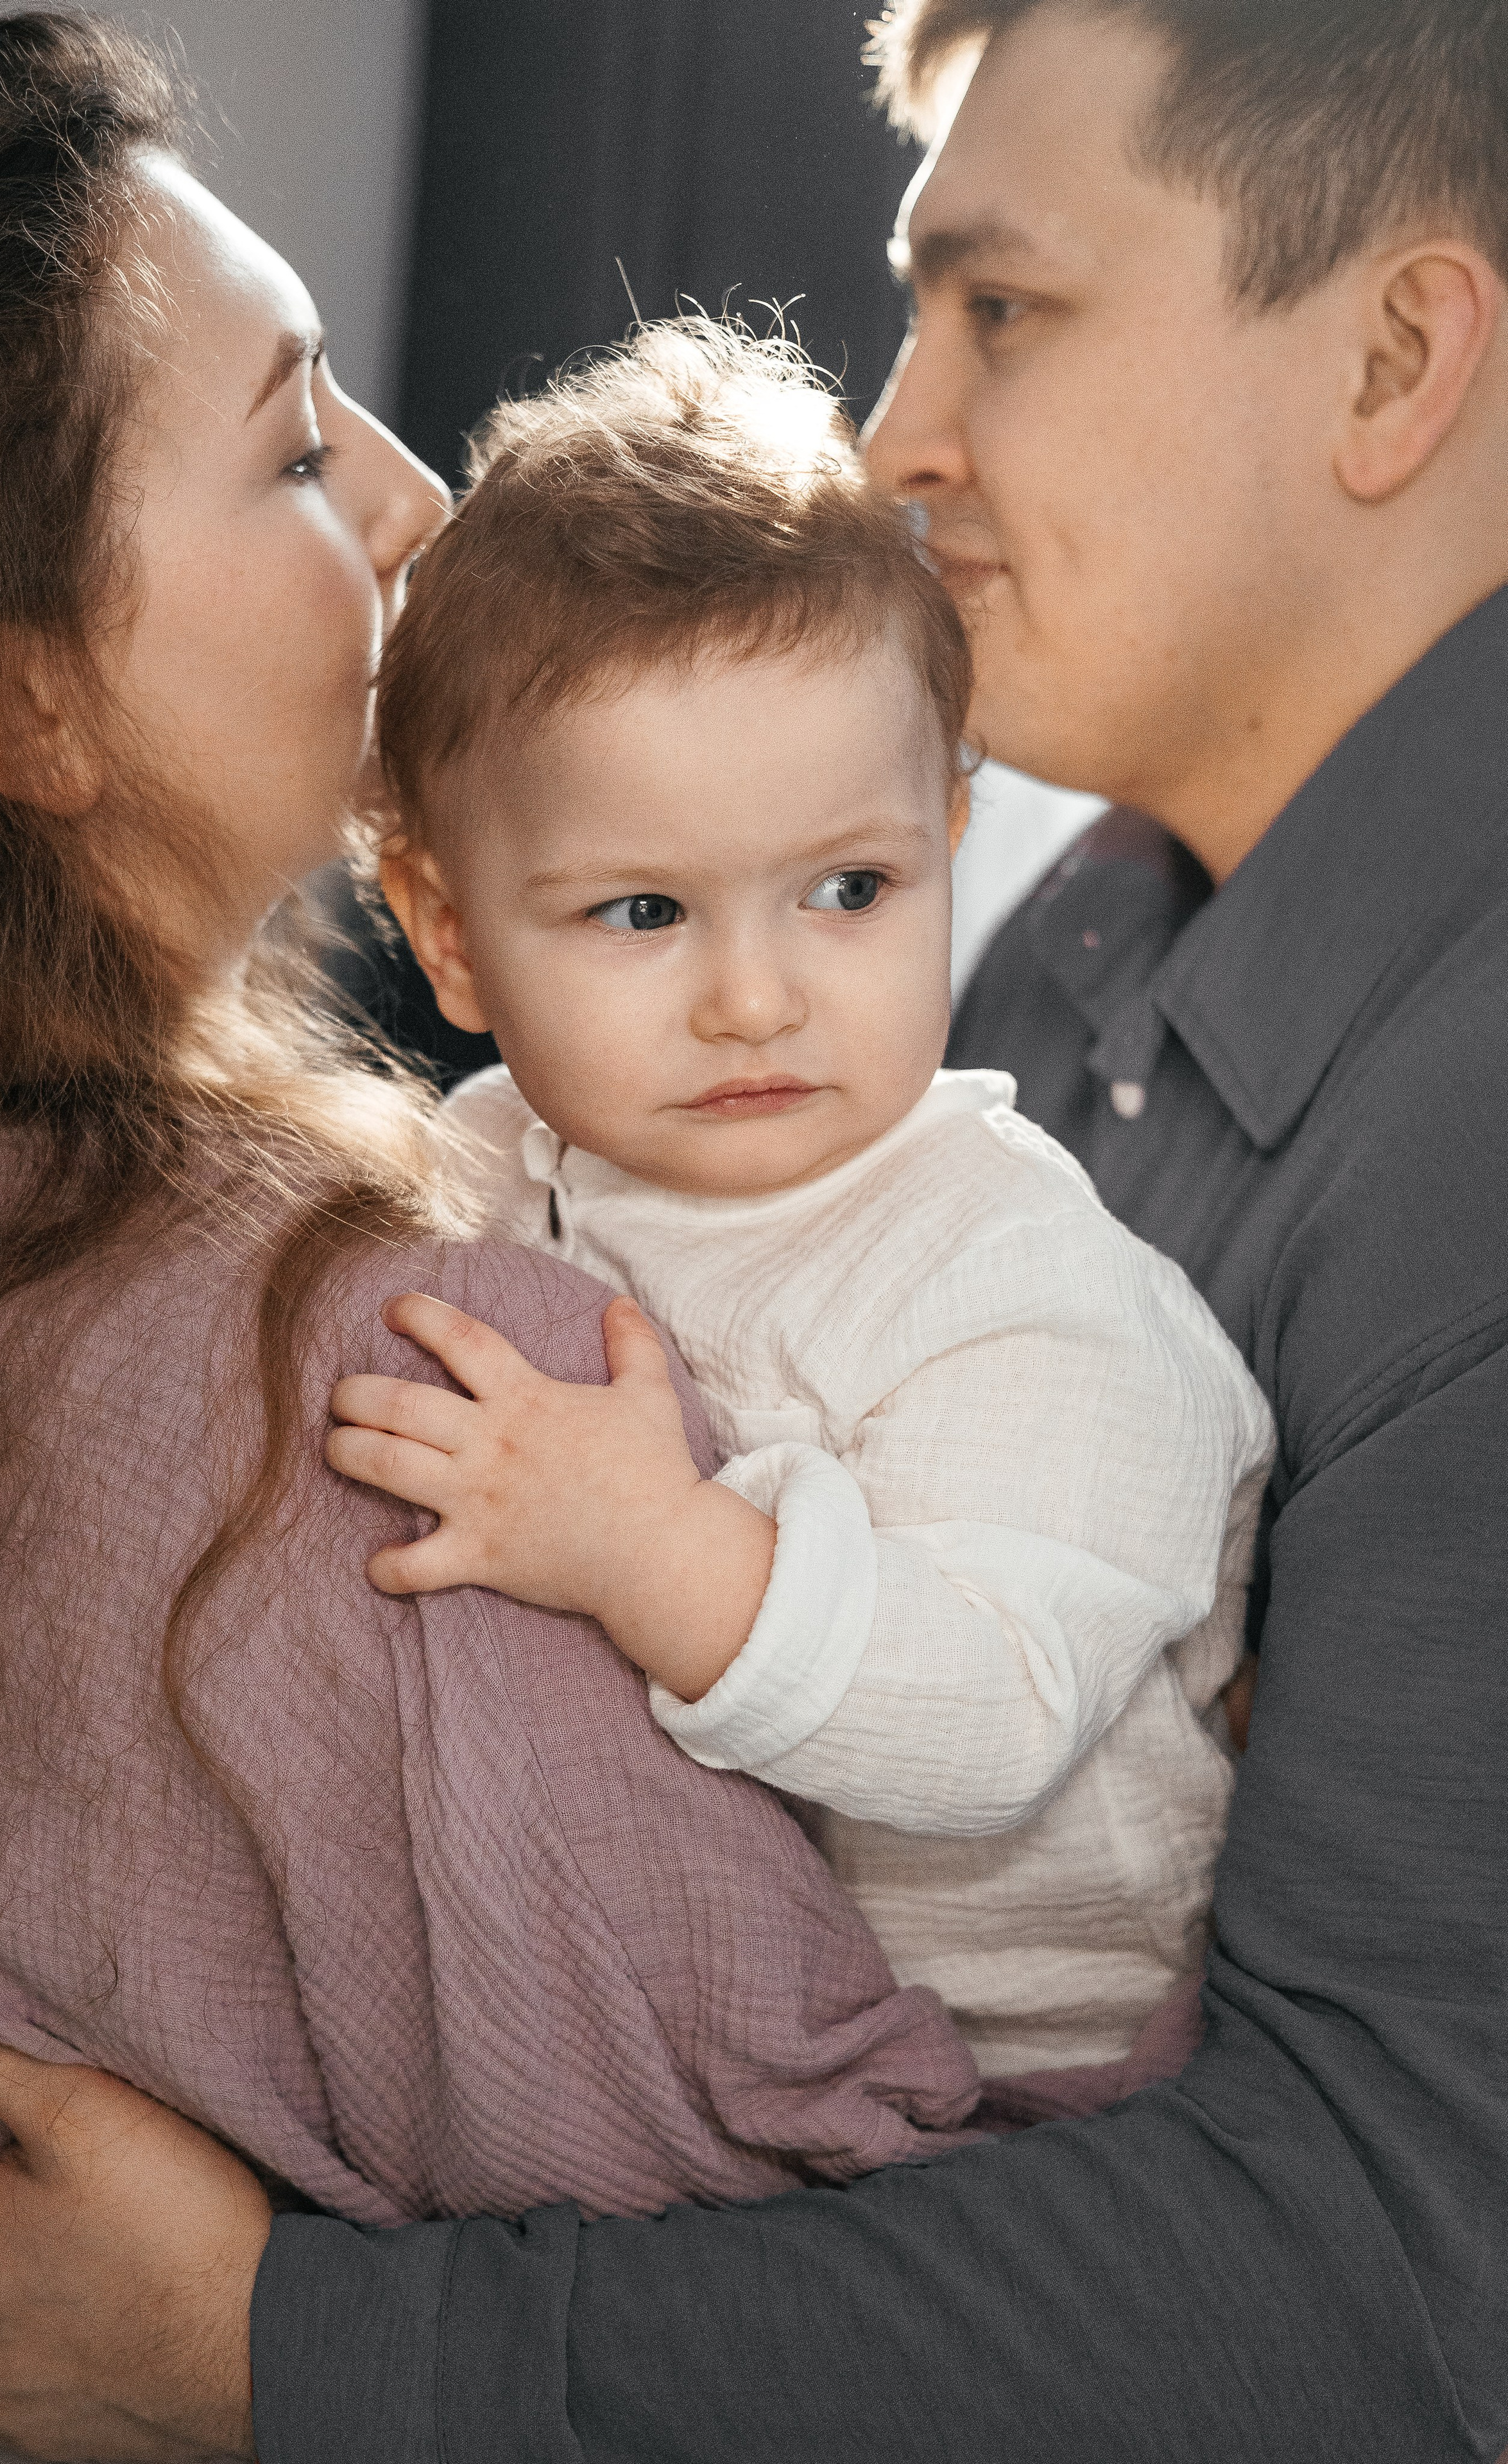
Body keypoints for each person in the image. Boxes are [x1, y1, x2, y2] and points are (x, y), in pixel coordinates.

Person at [0, 0, 1508, 2457]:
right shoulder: (1016, 977)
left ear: (1397, 358)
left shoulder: (1404, 1156)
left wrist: (277, 2352)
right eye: (645, 912)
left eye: (1006, 308)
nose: (896, 438)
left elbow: (1399, 2282)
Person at [331, 312, 1272, 2087]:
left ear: (952, 831)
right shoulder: (482, 1161)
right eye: (643, 914)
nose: (756, 999)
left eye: (848, 888)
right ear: (449, 931)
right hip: (701, 1995)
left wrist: (660, 1558)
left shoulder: (1017, 1276)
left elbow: (995, 1713)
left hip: (1046, 2062)